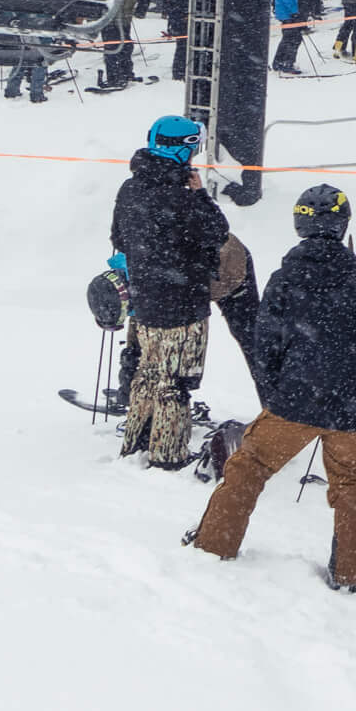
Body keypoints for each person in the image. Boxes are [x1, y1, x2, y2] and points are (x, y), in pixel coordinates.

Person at [189, 185, 356, 591]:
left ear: (300, 223)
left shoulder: (287, 279)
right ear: (342, 225)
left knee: (248, 469)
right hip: (350, 406)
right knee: (351, 490)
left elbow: (265, 344)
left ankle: (214, 545)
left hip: (296, 401)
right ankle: (352, 574)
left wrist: (276, 393)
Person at [111, 117, 230, 468]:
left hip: (144, 299)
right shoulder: (182, 196)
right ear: (186, 147)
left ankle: (135, 442)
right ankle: (168, 453)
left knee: (147, 373)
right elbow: (217, 232)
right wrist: (200, 196)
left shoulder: (130, 188)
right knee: (174, 383)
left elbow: (119, 238)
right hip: (184, 303)